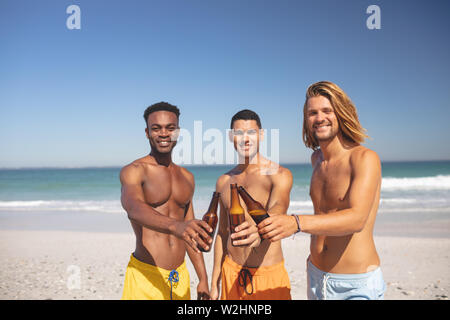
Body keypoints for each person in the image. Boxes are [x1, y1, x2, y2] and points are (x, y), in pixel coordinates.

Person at [258, 81, 386, 300]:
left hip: (355, 285)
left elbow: (357, 219)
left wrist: (295, 222)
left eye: (327, 111)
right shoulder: (316, 159)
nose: (319, 118)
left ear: (341, 113)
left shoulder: (364, 158)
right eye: (312, 113)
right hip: (317, 278)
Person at [120, 102, 212, 300]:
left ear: (178, 132)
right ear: (147, 132)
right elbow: (133, 208)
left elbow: (189, 231)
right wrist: (175, 226)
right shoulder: (135, 170)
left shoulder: (187, 177)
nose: (163, 133)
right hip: (146, 276)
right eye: (156, 128)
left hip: (180, 277)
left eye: (170, 128)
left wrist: (203, 278)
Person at [210, 109, 293, 300]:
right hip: (231, 273)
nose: (245, 139)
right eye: (238, 133)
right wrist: (215, 281)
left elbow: (278, 208)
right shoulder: (224, 181)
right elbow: (222, 233)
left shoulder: (278, 175)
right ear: (231, 137)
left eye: (251, 133)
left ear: (261, 135)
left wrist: (259, 229)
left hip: (267, 275)